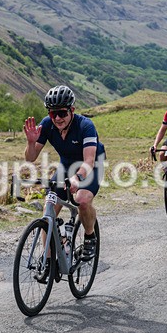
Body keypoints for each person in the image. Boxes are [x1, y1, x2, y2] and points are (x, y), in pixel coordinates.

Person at [24, 85, 105, 261]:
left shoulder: (86, 126)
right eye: (53, 114)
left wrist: (77, 178)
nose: (58, 118)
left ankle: (90, 237)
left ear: (72, 110)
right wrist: (31, 143)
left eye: (62, 113)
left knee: (82, 200)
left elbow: (89, 161)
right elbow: (30, 158)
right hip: (66, 166)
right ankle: (49, 258)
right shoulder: (47, 124)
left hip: (90, 166)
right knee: (48, 210)